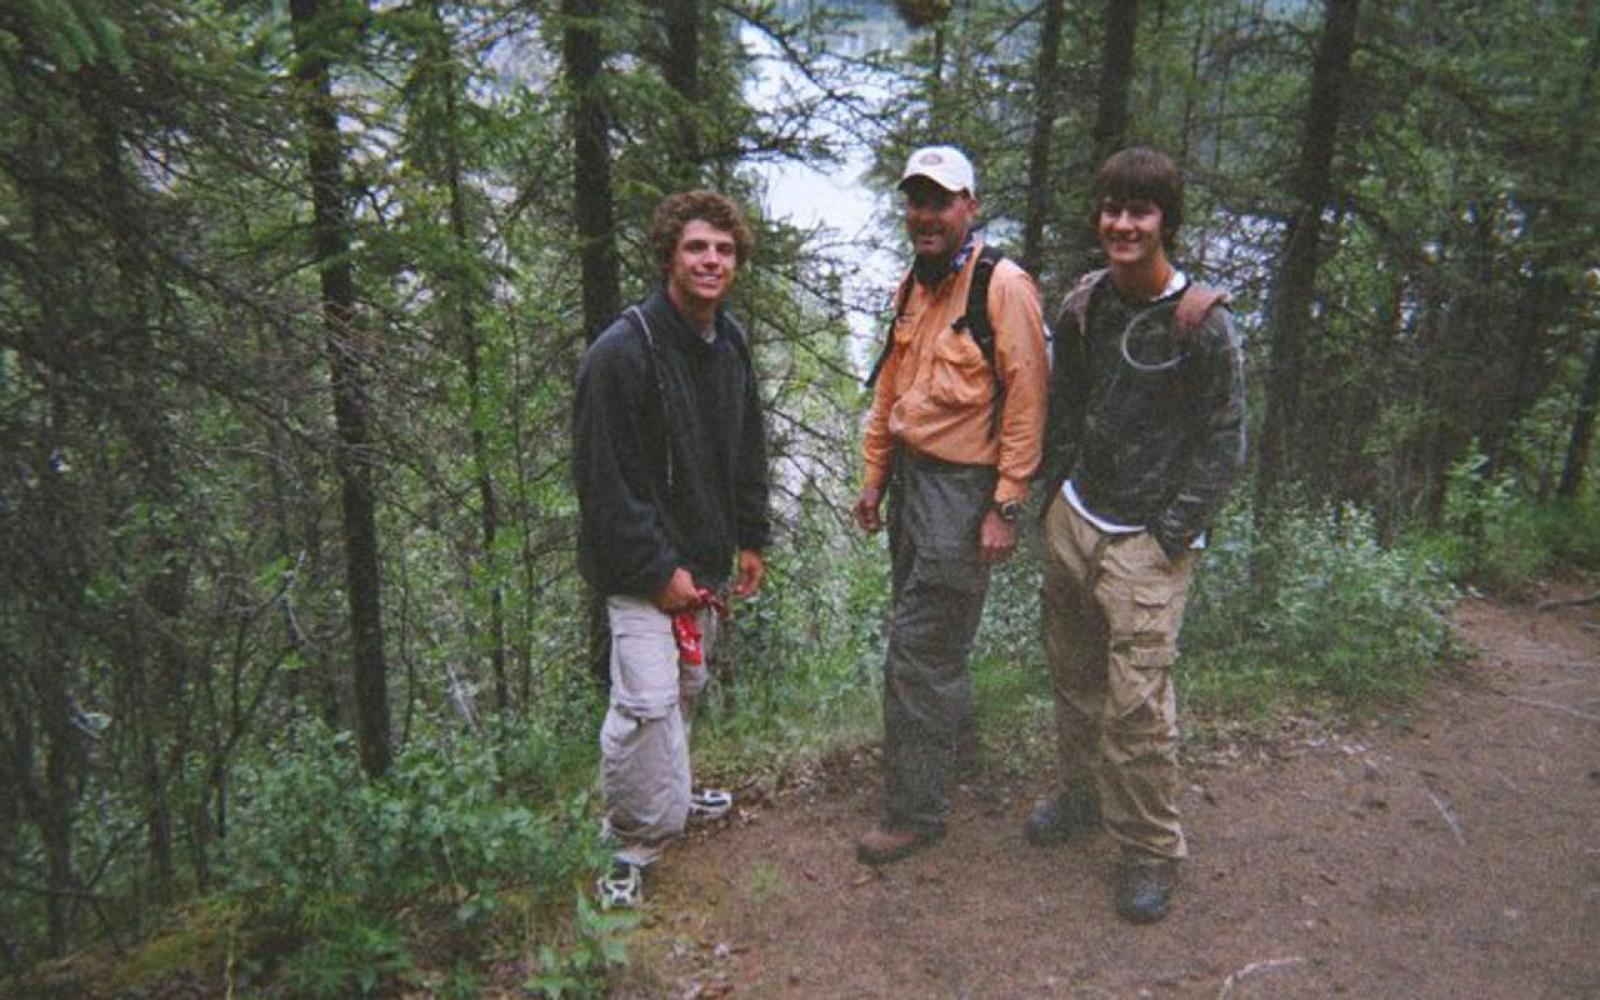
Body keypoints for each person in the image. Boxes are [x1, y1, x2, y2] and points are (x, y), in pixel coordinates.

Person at [1032, 147, 1246, 924]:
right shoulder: (1086, 304)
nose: (1123, 225)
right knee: (1075, 678)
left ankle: (1151, 848)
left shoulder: (1204, 325)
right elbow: (1067, 403)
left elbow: (1225, 443)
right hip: (1076, 517)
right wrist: (1053, 497)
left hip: (1146, 545)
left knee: (1138, 708)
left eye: (1140, 211)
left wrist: (1169, 536)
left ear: (1166, 222)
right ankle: (1083, 797)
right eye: (1112, 209)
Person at [572, 190, 770, 908]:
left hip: (704, 562)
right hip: (640, 573)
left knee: (684, 688)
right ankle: (628, 843)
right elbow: (603, 482)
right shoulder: (623, 353)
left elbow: (747, 446)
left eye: (724, 249)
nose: (711, 260)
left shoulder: (729, 343)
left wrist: (751, 535)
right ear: (668, 258)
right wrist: (658, 572)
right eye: (696, 247)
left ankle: (672, 795)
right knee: (644, 704)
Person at [853, 145, 1050, 864]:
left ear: (970, 206)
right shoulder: (915, 283)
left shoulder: (1003, 287)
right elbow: (890, 389)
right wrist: (875, 475)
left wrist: (1006, 505)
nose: (926, 215)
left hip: (963, 494)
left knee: (919, 650)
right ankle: (952, 756)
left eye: (940, 201)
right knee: (936, 642)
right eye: (916, 201)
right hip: (912, 482)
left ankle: (916, 811)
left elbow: (1028, 403)